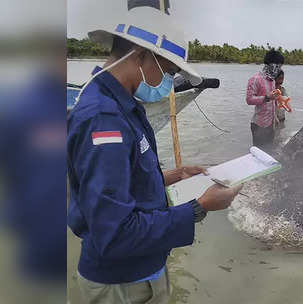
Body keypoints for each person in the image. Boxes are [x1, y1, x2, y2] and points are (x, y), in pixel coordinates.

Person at [67, 7, 241, 304]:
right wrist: (200, 207)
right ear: (139, 54)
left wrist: (172, 176)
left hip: (139, 272)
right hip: (121, 284)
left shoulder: (122, 104)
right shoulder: (104, 120)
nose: (170, 81)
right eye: (169, 71)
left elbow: (118, 184)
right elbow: (115, 233)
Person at [246, 49, 284, 149]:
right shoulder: (255, 79)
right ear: (271, 65)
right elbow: (249, 100)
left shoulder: (272, 80)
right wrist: (266, 97)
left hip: (270, 124)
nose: (279, 69)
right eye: (278, 66)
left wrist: (275, 117)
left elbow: (272, 101)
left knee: (269, 151)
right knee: (258, 154)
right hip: (259, 125)